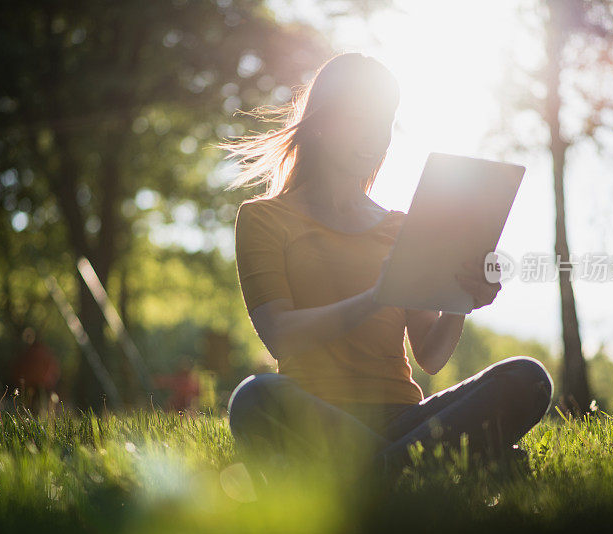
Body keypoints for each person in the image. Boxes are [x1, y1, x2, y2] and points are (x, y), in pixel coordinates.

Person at [217, 52, 554, 486]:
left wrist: (460, 301)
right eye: (359, 117)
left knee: (528, 378)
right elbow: (281, 337)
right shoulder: (263, 218)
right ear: (322, 121)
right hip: (318, 415)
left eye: (385, 120)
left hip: (404, 419)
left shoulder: (399, 227)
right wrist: (375, 297)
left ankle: (377, 478)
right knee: (254, 397)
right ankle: (437, 468)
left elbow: (430, 357)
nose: (375, 135)